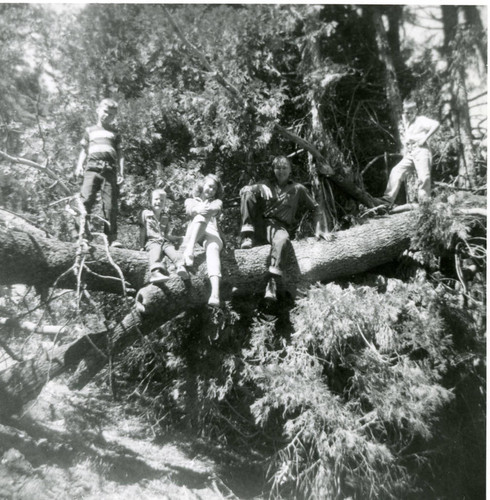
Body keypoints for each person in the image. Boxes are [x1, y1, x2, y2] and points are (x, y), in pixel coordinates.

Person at [239, 156, 318, 301]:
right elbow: (245, 192)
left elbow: (315, 208)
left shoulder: (297, 188)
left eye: (284, 168)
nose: (281, 171)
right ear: (274, 170)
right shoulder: (266, 183)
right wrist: (256, 187)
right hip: (259, 224)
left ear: (290, 170)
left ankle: (272, 282)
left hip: (277, 226)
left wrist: (317, 229)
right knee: (247, 192)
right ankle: (247, 235)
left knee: (282, 239)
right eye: (278, 168)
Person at [75, 98, 125, 247]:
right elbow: (84, 151)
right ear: (98, 111)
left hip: (109, 171)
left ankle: (111, 238)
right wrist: (79, 166)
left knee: (110, 205)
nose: (107, 116)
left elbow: (120, 154)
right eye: (105, 112)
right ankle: (82, 235)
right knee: (85, 201)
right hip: (91, 169)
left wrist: (121, 172)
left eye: (111, 115)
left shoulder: (115, 133)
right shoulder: (90, 131)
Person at [381, 100, 440, 206]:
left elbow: (436, 124)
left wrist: (425, 138)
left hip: (421, 150)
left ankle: (425, 204)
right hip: (410, 153)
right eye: (406, 112)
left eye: (411, 112)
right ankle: (387, 200)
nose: (408, 115)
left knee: (423, 177)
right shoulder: (407, 123)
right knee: (396, 171)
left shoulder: (421, 120)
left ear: (416, 111)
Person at [181, 174, 224, 308]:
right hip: (195, 233)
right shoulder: (190, 200)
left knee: (213, 249)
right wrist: (196, 209)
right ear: (202, 185)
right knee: (201, 215)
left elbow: (215, 209)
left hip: (212, 233)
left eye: (215, 189)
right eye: (210, 186)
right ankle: (189, 248)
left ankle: (215, 294)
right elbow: (189, 209)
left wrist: (205, 209)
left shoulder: (216, 202)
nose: (212, 190)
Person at [140, 188, 189, 284]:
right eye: (156, 199)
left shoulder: (165, 216)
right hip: (152, 241)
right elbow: (143, 231)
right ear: (150, 201)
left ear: (164, 204)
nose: (159, 202)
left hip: (164, 241)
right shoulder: (146, 214)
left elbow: (166, 234)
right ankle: (155, 272)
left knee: (171, 250)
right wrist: (141, 246)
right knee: (156, 250)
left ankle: (180, 266)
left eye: (162, 200)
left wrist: (177, 238)